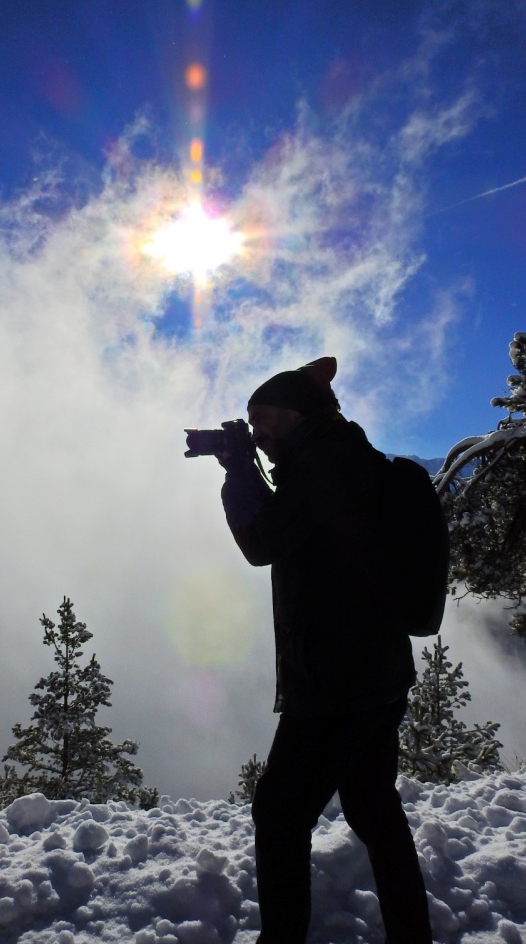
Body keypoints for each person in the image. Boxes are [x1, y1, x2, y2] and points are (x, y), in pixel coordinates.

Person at [219, 356, 432, 944]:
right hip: (379, 674)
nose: (258, 434)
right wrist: (252, 465)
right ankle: (412, 934)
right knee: (372, 807)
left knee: (280, 814)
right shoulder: (347, 459)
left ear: (296, 415)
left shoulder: (319, 469)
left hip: (335, 685)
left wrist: (239, 469)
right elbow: (293, 526)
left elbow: (262, 541)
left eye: (263, 421)